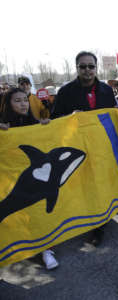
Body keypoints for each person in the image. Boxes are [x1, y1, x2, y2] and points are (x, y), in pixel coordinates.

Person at [51, 51, 116, 246]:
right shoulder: (65, 92)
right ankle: (88, 219)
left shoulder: (106, 90)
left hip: (101, 146)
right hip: (77, 148)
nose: (87, 70)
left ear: (96, 68)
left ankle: (100, 223)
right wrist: (69, 117)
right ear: (76, 68)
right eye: (83, 66)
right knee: (84, 184)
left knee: (101, 183)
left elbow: (114, 116)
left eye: (91, 66)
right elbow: (54, 120)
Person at [0, 87, 57, 269]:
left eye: (25, 99)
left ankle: (46, 250)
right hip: (10, 182)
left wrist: (49, 127)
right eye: (17, 101)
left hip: (34, 183)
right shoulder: (3, 126)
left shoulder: (36, 125)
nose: (23, 104)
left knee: (37, 215)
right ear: (8, 104)